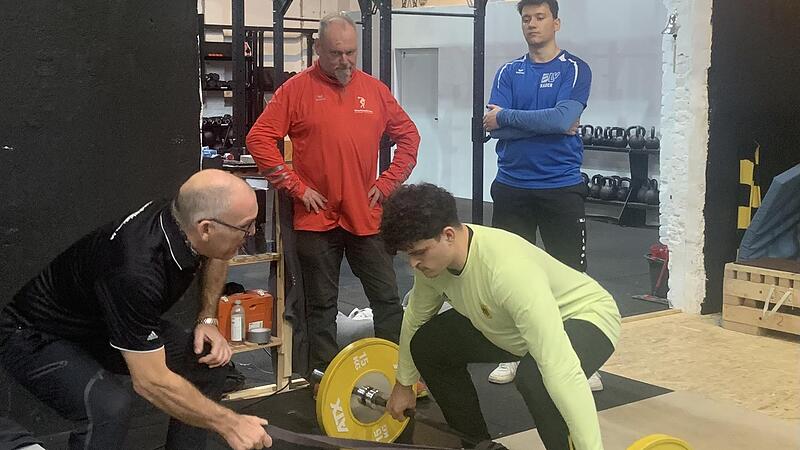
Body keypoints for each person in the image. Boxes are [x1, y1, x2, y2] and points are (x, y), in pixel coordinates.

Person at [0, 170, 272, 450]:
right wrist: (231, 424)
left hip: (104, 319)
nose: (251, 234)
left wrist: (207, 318)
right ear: (205, 228)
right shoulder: (135, 269)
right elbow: (151, 383)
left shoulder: (186, 218)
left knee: (208, 363)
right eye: (246, 227)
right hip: (35, 334)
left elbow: (220, 250)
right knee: (108, 407)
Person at [246, 14, 420, 380]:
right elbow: (259, 139)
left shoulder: (374, 90)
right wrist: (295, 186)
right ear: (317, 49)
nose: (345, 61)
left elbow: (409, 138)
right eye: (336, 53)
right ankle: (325, 376)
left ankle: (398, 372)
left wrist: (388, 183)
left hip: (365, 215)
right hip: (316, 219)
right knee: (320, 305)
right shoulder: (295, 90)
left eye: (351, 53)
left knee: (387, 300)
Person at [382, 183, 620, 450]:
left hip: (586, 315)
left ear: (448, 235)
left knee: (537, 380)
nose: (412, 264)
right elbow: (415, 318)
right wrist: (404, 384)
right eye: (408, 255)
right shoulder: (433, 266)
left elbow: (562, 369)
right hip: (510, 325)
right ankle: (478, 445)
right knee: (428, 344)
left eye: (418, 253)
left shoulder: (507, 272)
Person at [483, 0, 595, 385]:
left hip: (560, 188)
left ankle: (581, 363)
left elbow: (562, 118)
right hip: (512, 187)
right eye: (526, 18)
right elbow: (494, 129)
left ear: (556, 22)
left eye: (540, 17)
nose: (532, 24)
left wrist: (510, 119)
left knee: (571, 279)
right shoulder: (509, 71)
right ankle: (512, 353)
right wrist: (545, 124)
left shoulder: (575, 69)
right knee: (511, 278)